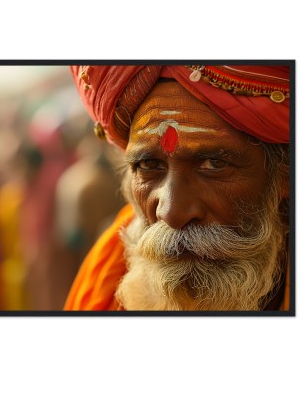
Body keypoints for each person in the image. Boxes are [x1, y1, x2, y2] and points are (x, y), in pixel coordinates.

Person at [63, 64, 291, 312]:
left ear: (284, 176)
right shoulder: (104, 282)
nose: (171, 213)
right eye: (149, 165)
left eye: (214, 164)